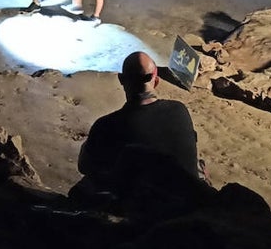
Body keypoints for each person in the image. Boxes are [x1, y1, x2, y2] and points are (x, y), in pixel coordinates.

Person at [73, 51, 206, 201]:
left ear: (121, 80)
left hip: (145, 209)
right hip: (188, 199)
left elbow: (84, 167)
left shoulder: (107, 125)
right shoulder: (179, 110)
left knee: (86, 186)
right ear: (156, 81)